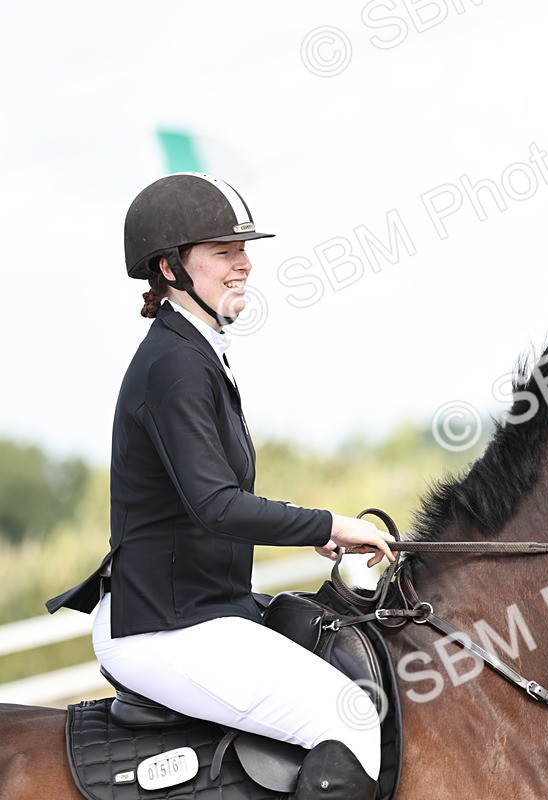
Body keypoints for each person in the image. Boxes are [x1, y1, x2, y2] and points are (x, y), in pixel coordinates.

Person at [47, 172, 395, 800]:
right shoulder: (176, 365)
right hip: (165, 627)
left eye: (243, 250)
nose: (245, 265)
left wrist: (309, 527)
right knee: (349, 717)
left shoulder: (197, 350)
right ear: (170, 267)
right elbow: (215, 506)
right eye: (224, 252)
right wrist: (331, 525)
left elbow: (207, 498)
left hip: (200, 610)